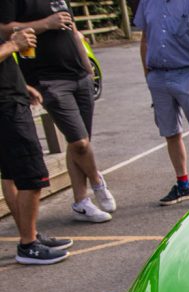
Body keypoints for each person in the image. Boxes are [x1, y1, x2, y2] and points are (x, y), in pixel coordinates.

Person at [7, 0, 115, 223]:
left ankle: (81, 202)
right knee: (80, 143)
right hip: (49, 80)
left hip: (80, 75)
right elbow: (5, 28)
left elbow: (74, 31)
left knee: (80, 142)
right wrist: (46, 23)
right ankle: (97, 181)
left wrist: (87, 68)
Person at [135, 0, 189, 206]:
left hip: (186, 76)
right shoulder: (148, 3)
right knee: (171, 134)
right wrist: (148, 74)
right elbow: (145, 40)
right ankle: (183, 185)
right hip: (158, 77)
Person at [0, 21, 73, 265]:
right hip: (6, 109)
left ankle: (28, 235)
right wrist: (13, 44)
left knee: (11, 175)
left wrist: (22, 86)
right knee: (33, 175)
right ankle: (28, 245)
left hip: (10, 98)